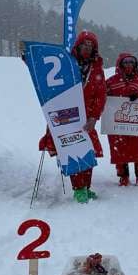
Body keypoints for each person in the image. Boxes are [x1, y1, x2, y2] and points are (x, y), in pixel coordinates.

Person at [38, 30, 107, 204]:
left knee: (88, 153)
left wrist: (94, 117)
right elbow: (43, 71)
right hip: (66, 117)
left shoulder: (97, 68)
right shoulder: (65, 63)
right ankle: (78, 189)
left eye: (91, 46)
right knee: (72, 152)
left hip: (86, 119)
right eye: (84, 44)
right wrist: (29, 58)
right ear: (78, 45)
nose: (87, 48)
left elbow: (101, 95)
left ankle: (87, 187)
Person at [105, 52, 138, 186]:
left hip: (136, 124)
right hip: (118, 123)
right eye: (126, 62)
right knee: (119, 149)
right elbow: (102, 95)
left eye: (131, 62)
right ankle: (123, 176)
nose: (129, 65)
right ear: (120, 64)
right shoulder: (112, 81)